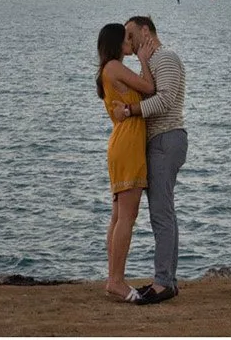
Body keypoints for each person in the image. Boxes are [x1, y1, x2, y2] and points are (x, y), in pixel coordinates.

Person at [110, 14, 186, 304]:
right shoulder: (155, 62)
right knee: (165, 213)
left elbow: (164, 99)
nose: (128, 42)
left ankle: (163, 282)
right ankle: (167, 279)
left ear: (146, 31)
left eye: (131, 35)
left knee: (161, 214)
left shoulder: (164, 58)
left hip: (165, 138)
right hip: (164, 140)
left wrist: (130, 111)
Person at [95, 21, 157, 301]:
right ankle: (117, 281)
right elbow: (149, 88)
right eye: (127, 39)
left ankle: (113, 278)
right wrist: (144, 60)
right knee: (127, 218)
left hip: (121, 143)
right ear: (117, 43)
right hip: (128, 144)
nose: (130, 42)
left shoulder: (107, 70)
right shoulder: (114, 67)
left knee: (119, 216)